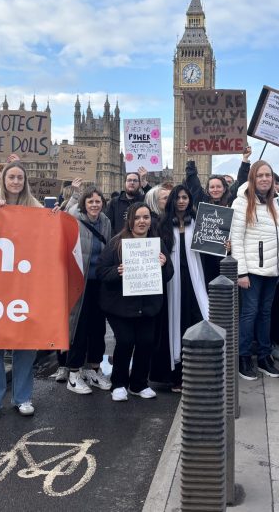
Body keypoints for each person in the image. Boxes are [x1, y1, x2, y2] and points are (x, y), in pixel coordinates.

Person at [0, 161, 44, 418]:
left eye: (20, 178)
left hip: (26, 284)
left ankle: (23, 397)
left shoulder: (35, 208)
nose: (16, 181)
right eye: (11, 177)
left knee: (26, 344)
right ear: (2, 179)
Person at [98, 202, 173, 401]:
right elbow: (102, 272)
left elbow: (169, 274)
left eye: (146, 217)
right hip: (119, 306)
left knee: (146, 342)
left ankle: (139, 384)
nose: (142, 221)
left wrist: (164, 265)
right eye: (138, 217)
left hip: (147, 305)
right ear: (130, 220)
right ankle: (119, 383)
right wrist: (117, 271)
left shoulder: (156, 244)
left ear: (150, 221)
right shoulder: (116, 243)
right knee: (125, 341)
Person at [231, 160, 279, 380]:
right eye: (260, 175)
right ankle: (243, 357)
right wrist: (241, 273)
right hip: (252, 270)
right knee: (249, 314)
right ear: (252, 178)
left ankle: (264, 356)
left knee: (266, 314)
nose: (265, 179)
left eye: (268, 175)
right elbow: (236, 239)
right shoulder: (241, 202)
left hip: (273, 270)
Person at [57, 185, 113, 394]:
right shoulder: (74, 218)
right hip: (78, 282)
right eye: (90, 201)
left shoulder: (105, 221)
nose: (95, 205)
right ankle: (74, 373)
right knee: (78, 328)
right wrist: (75, 193)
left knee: (98, 329)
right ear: (84, 204)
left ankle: (93, 369)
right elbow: (63, 215)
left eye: (98, 201)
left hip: (99, 282)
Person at [159, 185, 210, 392]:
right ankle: (176, 376)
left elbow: (210, 252)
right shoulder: (162, 225)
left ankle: (200, 372)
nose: (182, 201)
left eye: (185, 197)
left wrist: (225, 246)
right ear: (172, 200)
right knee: (175, 326)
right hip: (172, 283)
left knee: (198, 321)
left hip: (194, 280)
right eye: (178, 197)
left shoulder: (199, 223)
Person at [183, 145, 251, 208]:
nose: (215, 190)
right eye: (212, 187)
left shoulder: (231, 200)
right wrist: (190, 157)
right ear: (208, 189)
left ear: (224, 189)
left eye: (218, 187)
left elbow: (242, 182)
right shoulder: (202, 200)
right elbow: (193, 181)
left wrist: (245, 159)